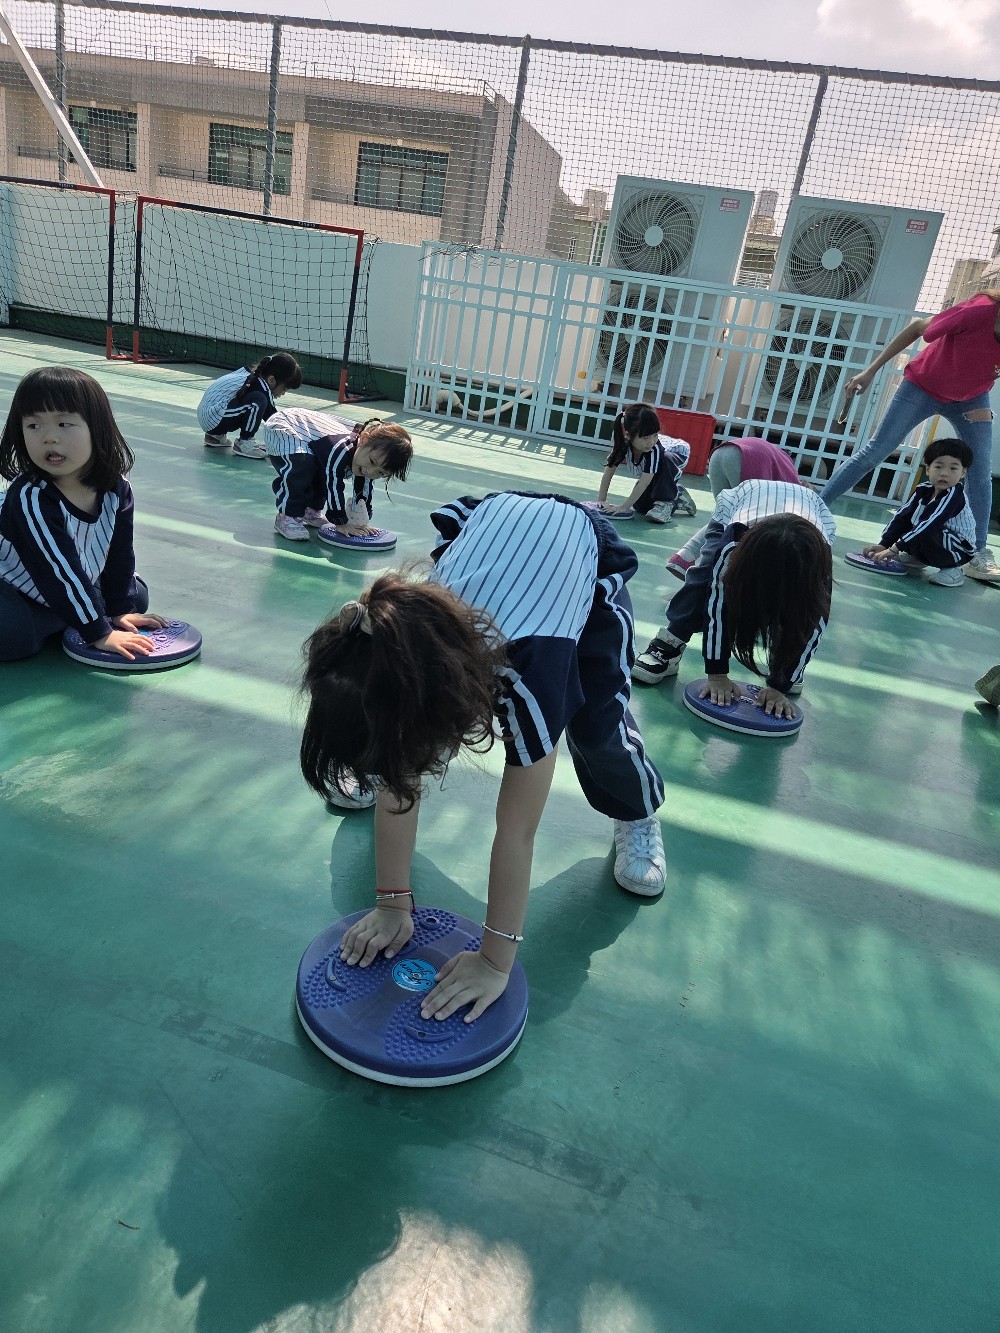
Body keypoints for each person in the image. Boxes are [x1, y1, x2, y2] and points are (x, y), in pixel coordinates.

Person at [300, 491, 667, 1022]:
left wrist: (495, 962)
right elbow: (402, 779)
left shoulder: (530, 676)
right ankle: (384, 753)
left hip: (579, 565)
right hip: (496, 536)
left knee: (598, 729)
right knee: (400, 749)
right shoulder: (382, 637)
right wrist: (391, 902)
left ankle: (638, 811)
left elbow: (517, 830)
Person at [820, 290, 1000, 583]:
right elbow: (917, 328)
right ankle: (815, 510)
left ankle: (977, 553)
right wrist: (870, 371)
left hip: (971, 399)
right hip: (922, 387)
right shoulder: (977, 311)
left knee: (980, 472)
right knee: (875, 451)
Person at [0, 366, 167, 662]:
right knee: (12, 635)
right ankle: (70, 615)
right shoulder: (30, 498)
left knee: (135, 597)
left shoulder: (116, 488)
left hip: (64, 579)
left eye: (64, 424)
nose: (49, 437)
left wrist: (120, 609)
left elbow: (119, 552)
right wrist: (100, 633)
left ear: (96, 427)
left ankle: (69, 615)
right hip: (13, 583)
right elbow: (56, 570)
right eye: (33, 426)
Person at [632, 479, 835, 718]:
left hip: (814, 514)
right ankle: (670, 642)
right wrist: (717, 674)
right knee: (703, 579)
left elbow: (814, 625)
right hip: (742, 503)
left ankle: (787, 666)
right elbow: (717, 605)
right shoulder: (733, 549)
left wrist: (779, 686)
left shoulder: (817, 568)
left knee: (800, 611)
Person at [263, 407, 412, 543]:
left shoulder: (365, 455)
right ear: (364, 440)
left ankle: (311, 511)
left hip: (307, 437)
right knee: (302, 465)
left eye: (381, 473)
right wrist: (340, 522)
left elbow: (364, 490)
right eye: (372, 462)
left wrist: (361, 521)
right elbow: (334, 484)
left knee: (322, 466)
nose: (371, 472)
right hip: (285, 427)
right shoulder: (341, 449)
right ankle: (287, 516)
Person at [667, 436, 802, 579]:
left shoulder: (781, 464)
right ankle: (709, 573)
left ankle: (684, 556)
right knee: (746, 523)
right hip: (749, 458)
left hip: (720, 453)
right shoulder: (796, 492)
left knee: (724, 515)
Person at [858, 438, 976, 587]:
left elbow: (931, 524)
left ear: (963, 472)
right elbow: (902, 517)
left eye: (953, 468)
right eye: (938, 466)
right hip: (937, 539)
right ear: (928, 469)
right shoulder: (923, 489)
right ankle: (916, 558)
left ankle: (953, 569)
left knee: (927, 527)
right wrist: (884, 544)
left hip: (958, 550)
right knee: (911, 521)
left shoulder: (954, 496)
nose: (944, 473)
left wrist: (895, 549)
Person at [591, 403, 696, 525]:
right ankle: (677, 496)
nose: (651, 442)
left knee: (665, 459)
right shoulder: (623, 445)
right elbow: (609, 471)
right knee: (641, 507)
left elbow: (644, 482)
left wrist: (624, 507)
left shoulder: (654, 449)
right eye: (645, 438)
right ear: (628, 435)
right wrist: (601, 500)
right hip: (659, 460)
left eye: (655, 435)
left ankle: (666, 502)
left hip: (675, 454)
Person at [197, 352, 302, 459]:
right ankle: (244, 443)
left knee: (255, 401)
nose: (283, 393)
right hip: (213, 418)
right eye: (285, 388)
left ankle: (215, 437)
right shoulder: (260, 387)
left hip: (208, 416)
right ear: (271, 380)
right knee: (258, 400)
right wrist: (293, 440)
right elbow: (272, 418)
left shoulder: (250, 377)